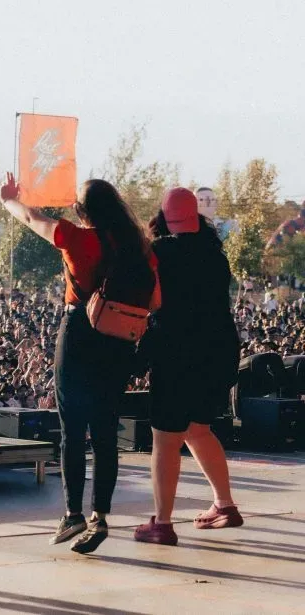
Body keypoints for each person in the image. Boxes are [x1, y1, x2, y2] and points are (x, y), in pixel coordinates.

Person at [0, 174, 158, 555]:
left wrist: (9, 199)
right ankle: (99, 516)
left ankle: (72, 513)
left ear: (82, 211)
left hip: (79, 335)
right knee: (105, 434)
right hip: (119, 341)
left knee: (72, 428)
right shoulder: (140, 248)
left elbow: (32, 220)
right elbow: (155, 302)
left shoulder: (77, 238)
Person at [135, 188, 243, 545]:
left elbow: (152, 300)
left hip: (177, 353)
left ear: (163, 218)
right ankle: (224, 506)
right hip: (218, 352)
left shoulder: (161, 252)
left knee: (165, 439)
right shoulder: (216, 255)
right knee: (198, 429)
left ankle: (162, 524)